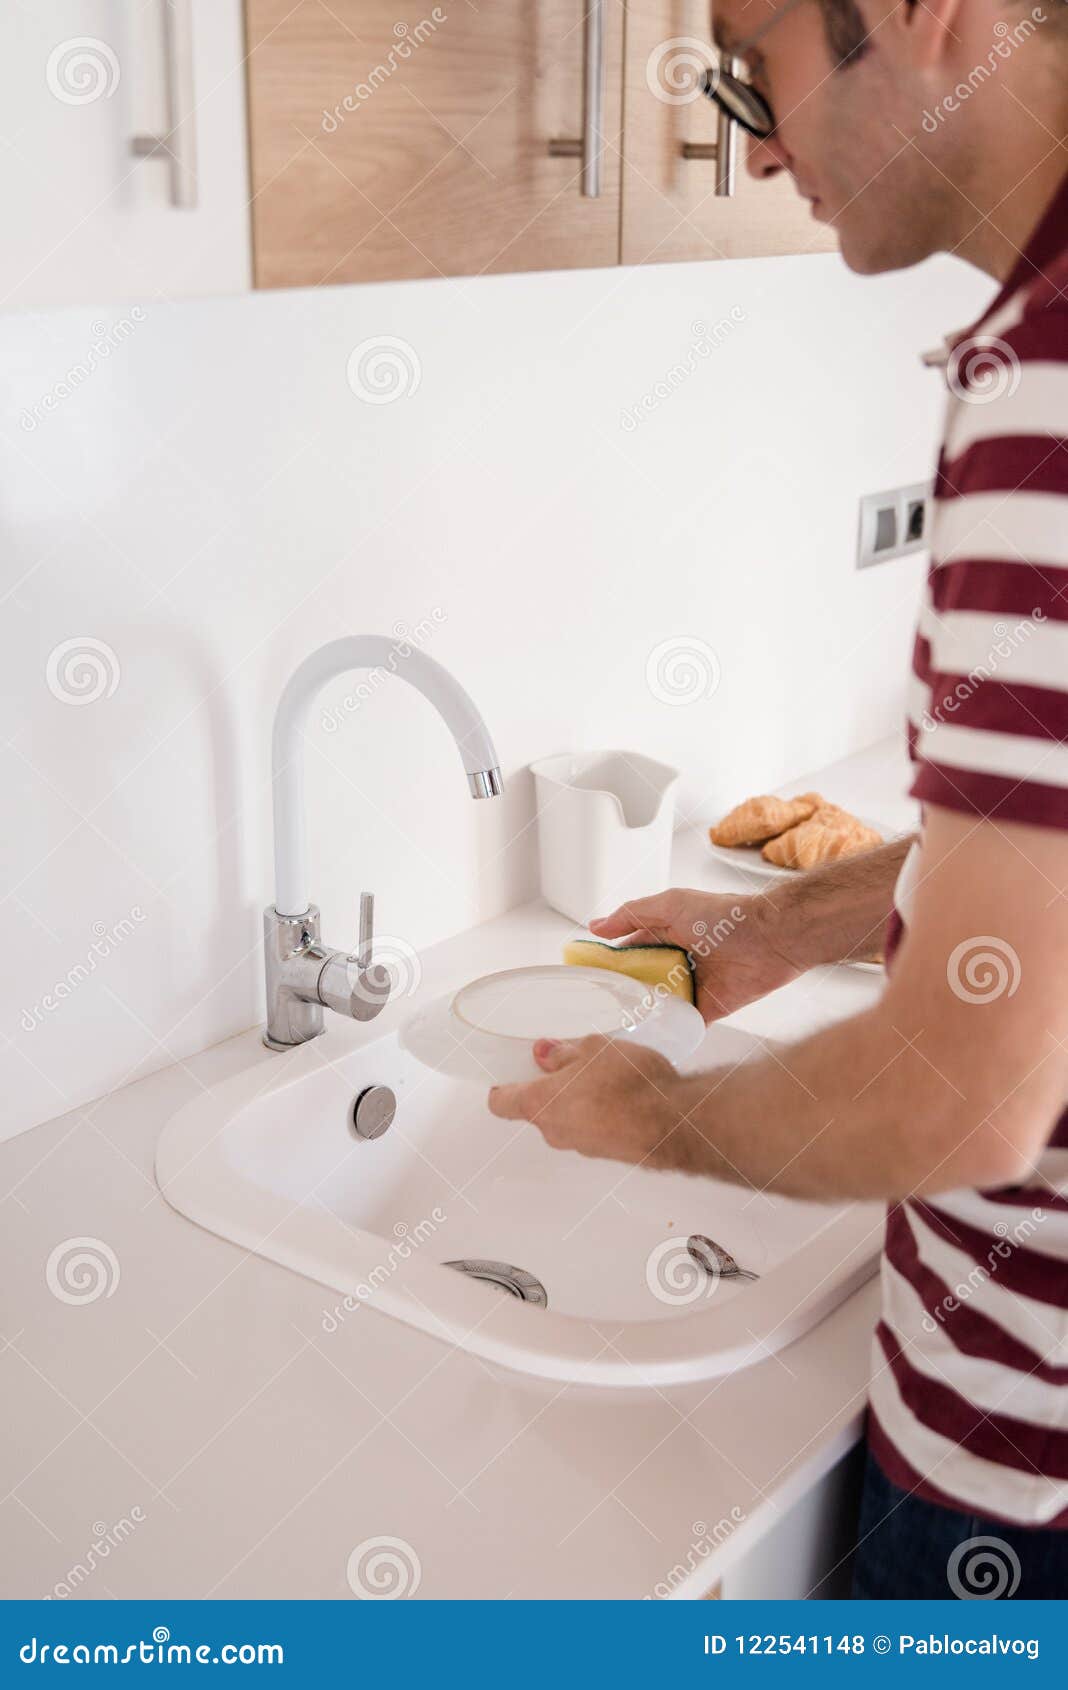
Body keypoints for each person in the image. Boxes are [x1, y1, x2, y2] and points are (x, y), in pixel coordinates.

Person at [489, 0, 1068, 1599]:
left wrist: (651, 1117)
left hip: (1026, 1480)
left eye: (757, 59)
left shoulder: (1049, 403)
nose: (752, 139)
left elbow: (968, 1093)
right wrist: (779, 921)